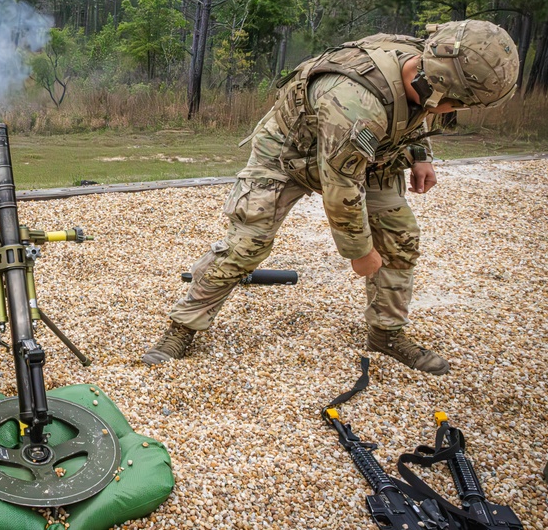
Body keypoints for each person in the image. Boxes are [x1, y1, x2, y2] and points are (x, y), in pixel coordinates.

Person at [142, 20, 520, 374]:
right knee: (247, 244)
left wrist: (421, 156)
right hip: (288, 154)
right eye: (458, 104)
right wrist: (359, 251)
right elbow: (340, 187)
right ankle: (182, 327)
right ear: (432, 84)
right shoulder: (355, 103)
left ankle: (386, 334)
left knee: (400, 238)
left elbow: (422, 117)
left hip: (370, 154)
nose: (457, 112)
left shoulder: (430, 61)